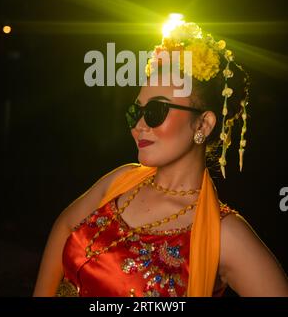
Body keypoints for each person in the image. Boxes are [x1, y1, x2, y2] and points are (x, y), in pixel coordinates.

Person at [33, 18, 288, 297]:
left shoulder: (224, 234)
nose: (139, 125)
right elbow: (65, 227)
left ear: (202, 125)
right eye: (136, 111)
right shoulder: (122, 181)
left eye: (156, 112)